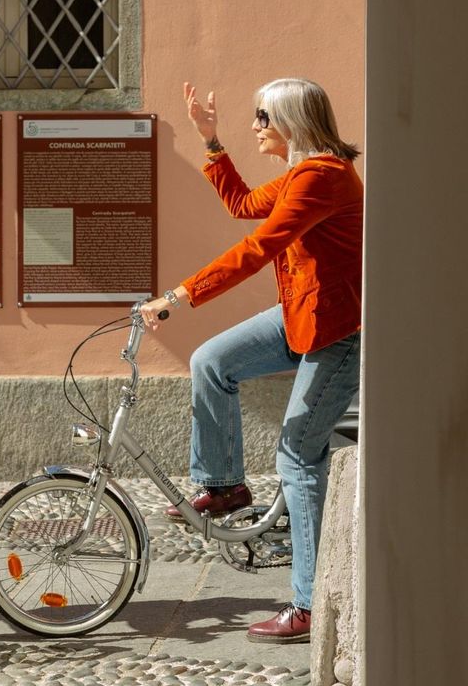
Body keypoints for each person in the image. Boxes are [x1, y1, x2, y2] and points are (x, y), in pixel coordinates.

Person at [140, 79, 362, 644]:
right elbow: (242, 204)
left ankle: (309, 606)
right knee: (211, 360)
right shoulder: (300, 175)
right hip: (301, 315)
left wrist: (180, 296)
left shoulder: (322, 178)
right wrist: (210, 141)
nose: (257, 125)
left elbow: (258, 247)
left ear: (293, 120)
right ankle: (226, 485)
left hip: (337, 332)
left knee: (297, 457)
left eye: (264, 115)